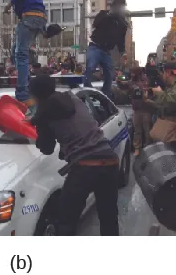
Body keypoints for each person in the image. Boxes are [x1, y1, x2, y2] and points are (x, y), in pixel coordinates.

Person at [28, 74, 119, 236]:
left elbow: (47, 148)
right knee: (109, 217)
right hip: (109, 160)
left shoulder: (44, 114)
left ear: (37, 94)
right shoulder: (72, 98)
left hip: (85, 167)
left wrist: (35, 130)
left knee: (66, 219)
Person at [0, 0, 48, 102]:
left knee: (20, 53)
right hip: (37, 17)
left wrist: (11, 2)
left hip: (31, 16)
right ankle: (27, 81)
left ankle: (22, 90)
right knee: (15, 51)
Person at [84, 0, 129, 98]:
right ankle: (87, 88)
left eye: (122, 8)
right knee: (90, 67)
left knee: (110, 74)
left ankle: (105, 94)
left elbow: (121, 41)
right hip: (95, 47)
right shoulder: (104, 14)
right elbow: (95, 23)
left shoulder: (122, 24)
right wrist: (108, 15)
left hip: (106, 51)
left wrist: (123, 53)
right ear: (113, 7)